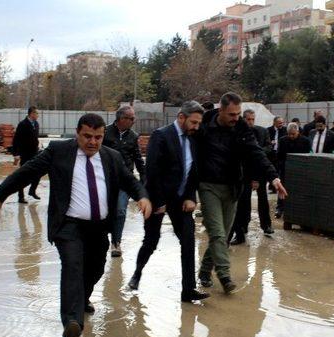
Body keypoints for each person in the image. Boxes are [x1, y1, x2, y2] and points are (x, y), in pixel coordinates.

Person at [0, 113, 152, 337]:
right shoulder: (59, 151)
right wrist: (1, 191)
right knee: (73, 267)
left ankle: (82, 299)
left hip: (98, 227)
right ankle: (72, 324)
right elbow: (29, 171)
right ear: (77, 133)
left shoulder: (112, 157)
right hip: (68, 225)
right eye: (87, 136)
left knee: (96, 267)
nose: (93, 142)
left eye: (97, 137)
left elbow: (129, 180)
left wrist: (143, 196)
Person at [195, 92, 287, 294]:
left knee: (224, 235)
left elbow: (256, 152)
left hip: (232, 188)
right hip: (208, 186)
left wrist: (274, 177)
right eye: (231, 114)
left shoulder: (242, 128)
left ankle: (204, 271)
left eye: (238, 114)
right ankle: (225, 275)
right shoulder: (204, 124)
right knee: (217, 233)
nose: (236, 118)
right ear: (220, 111)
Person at [128, 101, 210, 303]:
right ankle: (137, 273)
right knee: (151, 241)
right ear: (181, 117)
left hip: (181, 201)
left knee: (188, 241)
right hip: (158, 198)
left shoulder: (194, 139)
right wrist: (158, 201)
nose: (196, 127)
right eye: (193, 122)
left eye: (199, 123)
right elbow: (152, 172)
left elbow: (193, 172)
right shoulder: (161, 136)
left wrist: (191, 196)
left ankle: (188, 290)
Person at [102, 105, 146, 258]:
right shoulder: (105, 133)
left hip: (124, 180)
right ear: (121, 119)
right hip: (105, 180)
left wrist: (143, 182)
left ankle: (116, 243)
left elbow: (138, 159)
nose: (134, 121)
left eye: (133, 118)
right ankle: (102, 239)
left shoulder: (133, 136)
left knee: (120, 211)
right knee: (104, 211)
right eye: (131, 118)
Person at [229, 109, 274, 245]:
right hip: (245, 173)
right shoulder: (236, 132)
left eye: (253, 119)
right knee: (243, 201)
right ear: (243, 119)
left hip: (259, 171)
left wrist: (256, 150)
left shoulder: (262, 131)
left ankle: (266, 225)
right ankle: (242, 227)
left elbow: (268, 147)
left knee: (263, 200)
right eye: (248, 119)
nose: (251, 122)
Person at [275, 123, 311, 218]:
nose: (291, 136)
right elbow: (279, 156)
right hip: (285, 169)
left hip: (300, 170)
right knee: (282, 189)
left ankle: (296, 209)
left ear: (298, 132)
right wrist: (282, 165)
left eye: (293, 134)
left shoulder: (305, 141)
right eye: (289, 134)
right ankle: (280, 208)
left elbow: (308, 156)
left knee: (298, 190)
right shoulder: (283, 140)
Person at [12, 106, 41, 203]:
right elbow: (16, 140)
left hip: (34, 153)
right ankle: (21, 197)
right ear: (31, 113)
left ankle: (32, 191)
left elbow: (35, 138)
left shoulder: (36, 124)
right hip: (25, 154)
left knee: (38, 172)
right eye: (37, 113)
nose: (38, 115)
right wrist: (16, 154)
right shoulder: (22, 124)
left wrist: (38, 146)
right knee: (23, 175)